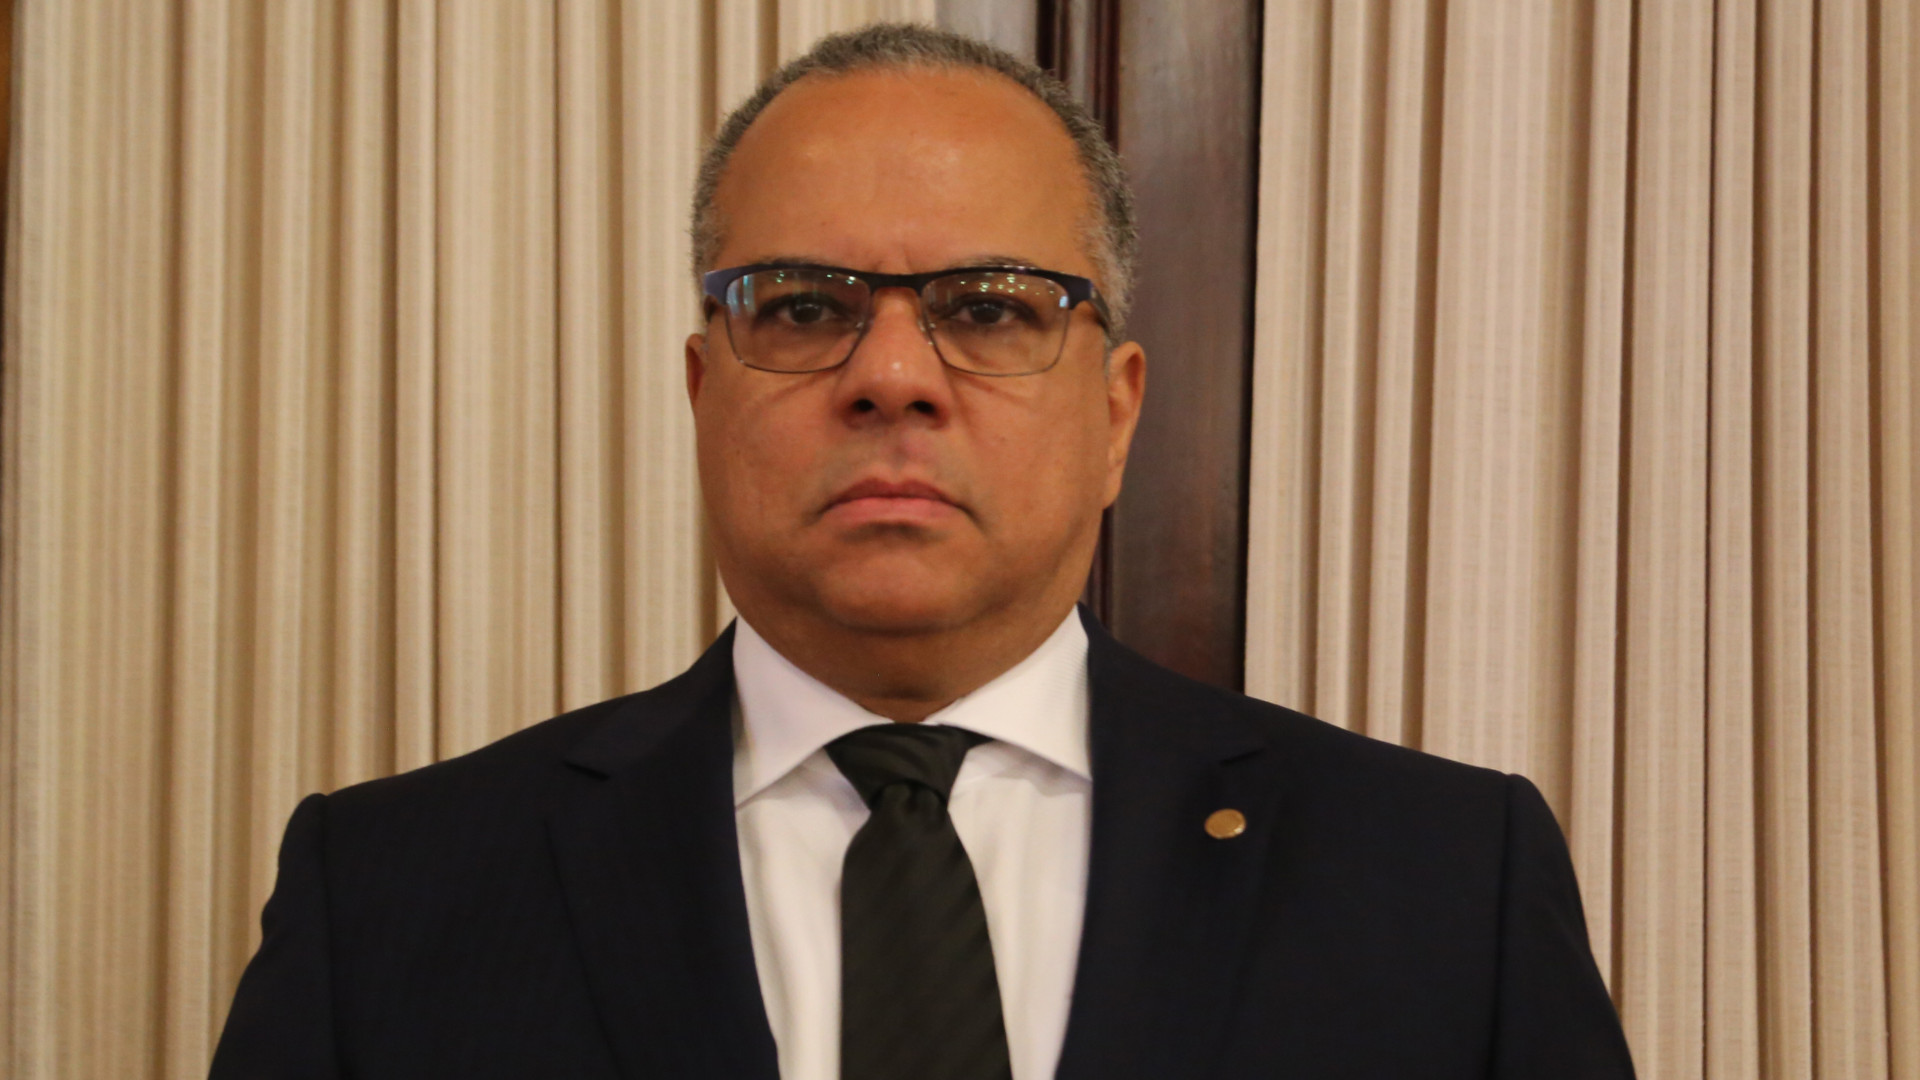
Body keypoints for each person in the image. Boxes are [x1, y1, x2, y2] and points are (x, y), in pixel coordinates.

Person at [210, 23, 1635, 1080]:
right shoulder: (388, 897)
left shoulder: (1446, 884)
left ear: (1116, 415)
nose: (893, 376)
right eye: (801, 307)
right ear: (704, 395)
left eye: (993, 308)